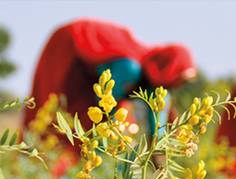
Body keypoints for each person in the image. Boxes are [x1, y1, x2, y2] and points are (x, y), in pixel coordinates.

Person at [23, 18, 196, 148]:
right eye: (181, 77)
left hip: (89, 81)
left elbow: (157, 137)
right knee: (52, 120)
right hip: (67, 51)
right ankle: (29, 168)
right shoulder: (130, 69)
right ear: (169, 67)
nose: (180, 85)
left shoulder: (158, 91)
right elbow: (103, 108)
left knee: (93, 136)